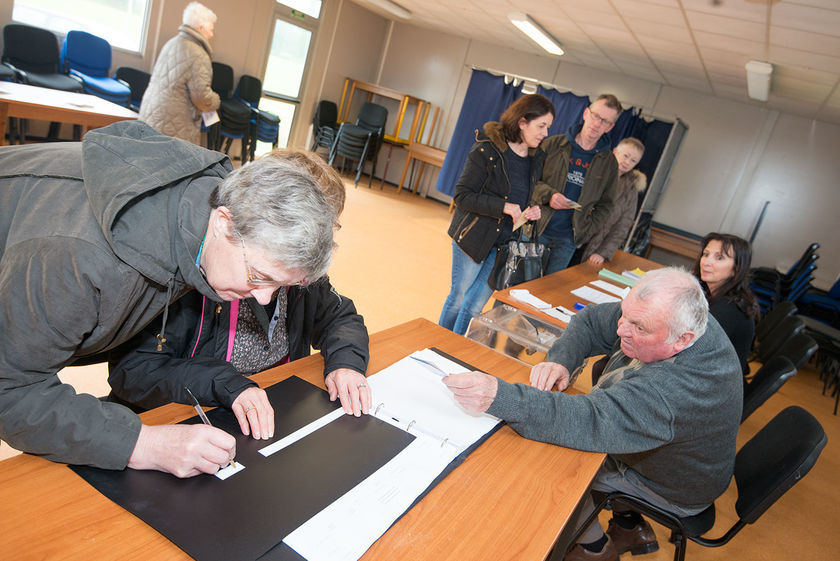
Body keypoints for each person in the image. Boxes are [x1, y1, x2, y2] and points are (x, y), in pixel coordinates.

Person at [0, 120, 359, 479]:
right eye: (259, 277)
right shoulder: (82, 258)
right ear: (223, 223)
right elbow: (11, 390)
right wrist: (142, 444)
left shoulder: (212, 231)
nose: (265, 297)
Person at [444, 268, 742, 561]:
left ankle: (595, 548)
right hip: (672, 455)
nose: (621, 328)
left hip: (672, 486)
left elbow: (582, 420)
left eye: (639, 328)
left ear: (681, 339)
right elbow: (590, 320)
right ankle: (630, 527)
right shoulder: (674, 317)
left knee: (554, 463)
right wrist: (562, 360)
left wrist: (499, 396)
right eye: (625, 314)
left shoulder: (670, 393)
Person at [440, 94, 555, 335]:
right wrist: (502, 207)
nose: (545, 133)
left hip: (504, 243)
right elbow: (462, 196)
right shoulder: (486, 149)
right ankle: (438, 344)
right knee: (459, 299)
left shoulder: (536, 157)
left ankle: (455, 349)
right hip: (473, 237)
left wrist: (531, 209)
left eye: (548, 127)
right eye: (541, 126)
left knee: (475, 308)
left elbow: (521, 195)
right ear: (522, 122)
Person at [530, 94, 621, 274]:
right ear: (586, 113)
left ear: (610, 127)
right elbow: (529, 181)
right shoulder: (552, 144)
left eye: (604, 121)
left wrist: (586, 232)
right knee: (514, 287)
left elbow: (606, 205)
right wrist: (549, 196)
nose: (597, 124)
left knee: (546, 294)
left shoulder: (609, 163)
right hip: (535, 229)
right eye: (595, 116)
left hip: (568, 241)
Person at [139, 1, 220, 145]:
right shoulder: (199, 55)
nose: (212, 34)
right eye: (211, 30)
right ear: (201, 28)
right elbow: (201, 98)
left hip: (151, 113)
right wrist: (215, 100)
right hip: (173, 122)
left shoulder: (172, 43)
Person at [692, 233, 760, 376]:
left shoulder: (728, 309)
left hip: (713, 383)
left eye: (719, 257)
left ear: (737, 268)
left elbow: (691, 350)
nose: (706, 262)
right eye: (706, 254)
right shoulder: (715, 294)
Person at [578, 137, 646, 265]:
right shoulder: (594, 169)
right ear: (615, 151)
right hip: (574, 235)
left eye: (633, 161)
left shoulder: (631, 189)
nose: (627, 162)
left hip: (595, 246)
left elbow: (623, 226)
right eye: (626, 156)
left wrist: (603, 252)